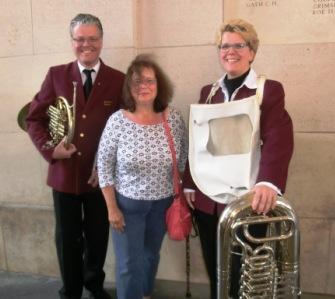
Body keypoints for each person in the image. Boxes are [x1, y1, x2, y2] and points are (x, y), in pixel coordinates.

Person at [183, 19, 294, 299]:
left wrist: (269, 182)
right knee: (215, 266)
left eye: (238, 45)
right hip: (208, 198)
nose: (230, 51)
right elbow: (197, 143)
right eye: (224, 46)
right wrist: (189, 184)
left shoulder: (267, 89)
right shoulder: (208, 93)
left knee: (245, 267)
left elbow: (278, 137)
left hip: (250, 198)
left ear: (252, 51)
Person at [26, 13, 124, 299]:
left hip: (99, 176)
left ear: (101, 40)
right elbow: (34, 119)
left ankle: (93, 283)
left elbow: (124, 127)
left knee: (97, 236)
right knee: (67, 239)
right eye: (80, 39)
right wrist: (49, 149)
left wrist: (110, 166)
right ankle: (70, 291)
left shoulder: (117, 79)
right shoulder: (56, 74)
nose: (86, 44)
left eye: (92, 38)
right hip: (64, 174)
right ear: (72, 42)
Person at [96, 54, 188, 299]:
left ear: (159, 85)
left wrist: (182, 193)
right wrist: (112, 208)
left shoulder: (173, 118)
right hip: (128, 207)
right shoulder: (117, 121)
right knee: (128, 266)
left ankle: (145, 295)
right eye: (137, 82)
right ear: (129, 87)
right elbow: (103, 167)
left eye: (149, 81)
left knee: (150, 256)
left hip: (163, 204)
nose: (143, 86)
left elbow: (183, 158)